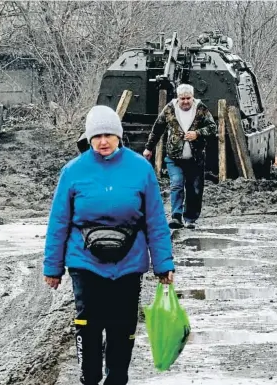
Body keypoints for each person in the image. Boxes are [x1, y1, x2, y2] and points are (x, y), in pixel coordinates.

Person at [43, 104, 175, 385]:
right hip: (85, 263)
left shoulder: (141, 169)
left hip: (129, 264)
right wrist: (53, 267)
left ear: (119, 135)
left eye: (108, 135)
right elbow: (58, 224)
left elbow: (155, 221)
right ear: (88, 138)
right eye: (96, 136)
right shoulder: (73, 172)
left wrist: (163, 263)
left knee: (122, 327)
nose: (103, 141)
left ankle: (117, 378)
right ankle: (89, 378)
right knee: (88, 326)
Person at [143, 84, 217, 229]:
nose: (185, 101)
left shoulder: (200, 108)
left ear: (192, 97)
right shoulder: (170, 109)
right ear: (177, 98)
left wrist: (197, 133)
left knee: (194, 188)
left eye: (188, 98)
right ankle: (176, 216)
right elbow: (157, 128)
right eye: (182, 98)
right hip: (174, 157)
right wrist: (149, 148)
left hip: (195, 157)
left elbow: (212, 128)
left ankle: (190, 218)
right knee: (176, 184)